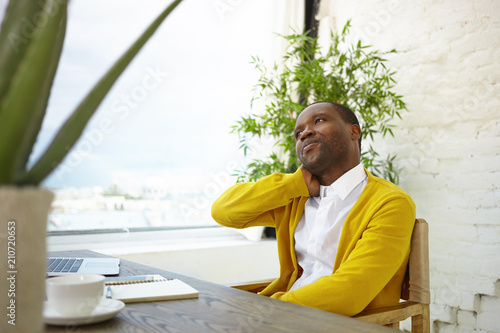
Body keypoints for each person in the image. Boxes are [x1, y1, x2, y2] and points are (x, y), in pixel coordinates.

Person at [211, 101, 416, 316]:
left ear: (354, 131)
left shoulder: (389, 202)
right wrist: (292, 184)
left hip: (341, 325)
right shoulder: (293, 199)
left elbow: (348, 293)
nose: (305, 133)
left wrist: (265, 310)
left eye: (319, 120)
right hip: (284, 317)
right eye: (298, 133)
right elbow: (224, 212)